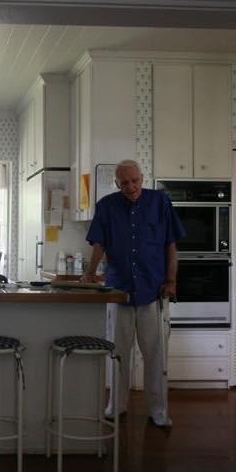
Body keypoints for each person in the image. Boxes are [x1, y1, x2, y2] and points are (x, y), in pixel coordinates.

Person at [81, 160, 184, 431]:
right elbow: (99, 243)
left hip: (154, 290)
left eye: (135, 180)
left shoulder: (160, 202)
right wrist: (90, 272)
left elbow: (171, 244)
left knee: (156, 357)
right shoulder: (106, 206)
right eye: (125, 183)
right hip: (119, 292)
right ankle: (116, 405)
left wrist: (171, 280)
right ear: (117, 184)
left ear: (142, 178)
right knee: (118, 354)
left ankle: (159, 411)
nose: (131, 187)